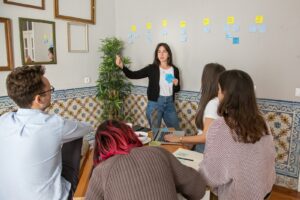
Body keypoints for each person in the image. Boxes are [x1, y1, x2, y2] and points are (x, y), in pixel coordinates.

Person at [0, 66, 93, 200]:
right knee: (75, 137)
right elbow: (87, 128)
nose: (51, 93)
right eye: (50, 90)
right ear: (38, 99)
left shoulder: (3, 120)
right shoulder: (54, 124)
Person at [199, 70, 276, 200]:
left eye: (219, 89)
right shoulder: (262, 121)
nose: (217, 94)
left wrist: (197, 172)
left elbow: (211, 176)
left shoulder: (220, 127)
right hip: (264, 190)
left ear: (226, 94)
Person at [85, 120, 206, 200]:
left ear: (100, 147)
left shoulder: (101, 171)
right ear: (131, 134)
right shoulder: (159, 152)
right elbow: (199, 189)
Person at [115, 43, 180, 130]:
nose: (161, 54)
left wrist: (176, 84)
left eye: (164, 51)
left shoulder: (174, 70)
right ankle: (155, 143)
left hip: (169, 103)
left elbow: (177, 89)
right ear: (156, 55)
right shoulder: (151, 68)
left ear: (168, 54)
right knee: (155, 132)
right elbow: (133, 75)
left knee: (176, 131)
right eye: (159, 52)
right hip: (155, 104)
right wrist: (122, 66)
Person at [164, 63, 225, 152]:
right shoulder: (215, 101)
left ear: (207, 80)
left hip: (205, 148)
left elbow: (205, 137)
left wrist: (179, 138)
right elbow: (204, 131)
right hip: (204, 146)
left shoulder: (213, 104)